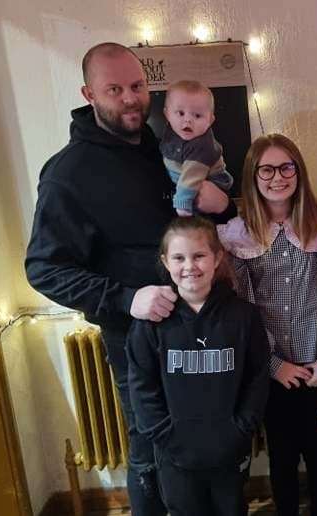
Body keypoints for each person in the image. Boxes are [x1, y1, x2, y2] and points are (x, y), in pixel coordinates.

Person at [25, 42, 236, 516]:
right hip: (136, 339)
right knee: (150, 452)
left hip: (202, 325)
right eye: (114, 89)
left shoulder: (167, 144)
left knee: (204, 442)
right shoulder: (67, 173)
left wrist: (229, 205)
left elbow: (208, 219)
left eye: (137, 86)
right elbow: (43, 268)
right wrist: (125, 298)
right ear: (88, 92)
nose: (129, 99)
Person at [217, 134, 317, 516]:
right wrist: (274, 365)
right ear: (254, 176)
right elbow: (244, 308)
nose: (278, 177)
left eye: (286, 167)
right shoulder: (240, 235)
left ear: (298, 171)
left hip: (315, 363)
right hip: (271, 370)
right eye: (267, 169)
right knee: (283, 457)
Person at [127, 216, 269, 516]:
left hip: (228, 451)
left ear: (217, 258)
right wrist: (165, 436)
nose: (189, 266)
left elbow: (257, 377)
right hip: (174, 455)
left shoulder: (243, 316)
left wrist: (241, 428)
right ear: (166, 262)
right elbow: (142, 386)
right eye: (179, 257)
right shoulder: (152, 323)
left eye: (199, 256)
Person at [160, 80, 234, 216]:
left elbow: (191, 177)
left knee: (196, 210)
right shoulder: (171, 133)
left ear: (210, 120)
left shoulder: (203, 146)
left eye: (198, 115)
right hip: (182, 180)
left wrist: (182, 205)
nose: (188, 120)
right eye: (180, 113)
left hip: (209, 183)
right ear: (167, 115)